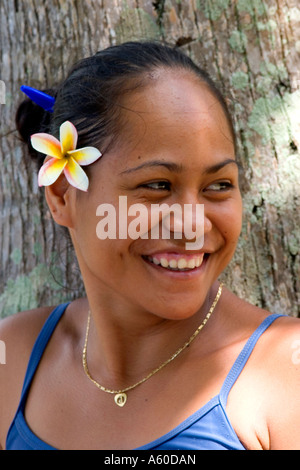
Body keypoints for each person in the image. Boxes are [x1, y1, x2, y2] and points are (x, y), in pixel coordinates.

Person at [0, 41, 299, 450]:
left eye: (219, 186)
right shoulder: (12, 357)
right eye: (157, 185)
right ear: (62, 194)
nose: (192, 224)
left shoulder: (285, 373)